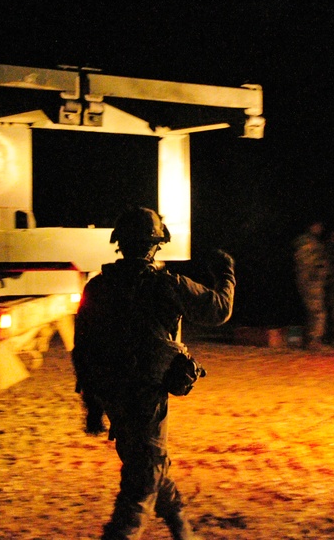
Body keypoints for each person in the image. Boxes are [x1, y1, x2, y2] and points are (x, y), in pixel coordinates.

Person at [71, 207, 235, 540]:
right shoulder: (166, 284)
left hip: (110, 393)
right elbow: (219, 310)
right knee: (144, 474)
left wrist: (92, 405)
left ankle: (181, 529)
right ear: (155, 246)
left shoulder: (98, 287)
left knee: (145, 457)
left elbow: (82, 350)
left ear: (120, 244)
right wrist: (226, 273)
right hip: (146, 394)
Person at [293, 220, 329, 348]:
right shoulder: (309, 244)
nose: (319, 229)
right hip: (312, 281)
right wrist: (321, 269)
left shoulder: (305, 242)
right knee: (318, 312)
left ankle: (310, 339)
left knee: (312, 311)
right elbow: (311, 264)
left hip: (308, 281)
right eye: (317, 226)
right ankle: (314, 340)